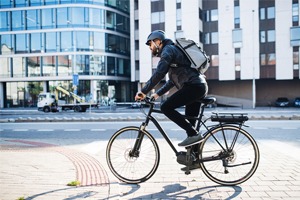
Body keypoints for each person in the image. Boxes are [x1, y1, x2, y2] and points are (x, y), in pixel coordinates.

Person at [135, 30, 208, 147]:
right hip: (198, 86)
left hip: (193, 87)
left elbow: (159, 73)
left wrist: (143, 92)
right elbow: (172, 81)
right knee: (191, 127)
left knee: (166, 107)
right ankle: (193, 160)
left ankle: (193, 134)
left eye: (150, 44)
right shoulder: (173, 51)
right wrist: (157, 94)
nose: (150, 48)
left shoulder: (168, 50)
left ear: (158, 41)